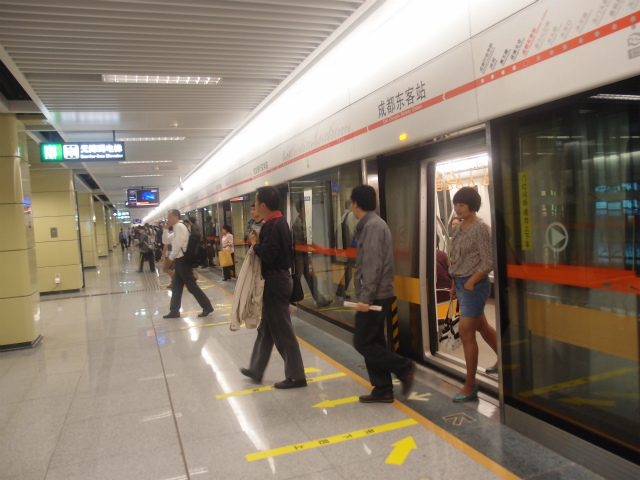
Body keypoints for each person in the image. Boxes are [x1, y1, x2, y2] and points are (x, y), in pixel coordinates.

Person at [350, 185, 415, 404]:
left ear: (355, 203)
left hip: (375, 295)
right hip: (377, 293)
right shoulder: (371, 224)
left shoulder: (372, 226)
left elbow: (372, 264)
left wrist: (365, 297)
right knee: (374, 341)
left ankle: (404, 367)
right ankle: (383, 389)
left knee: (362, 342)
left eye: (351, 203)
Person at [241, 186, 307, 389]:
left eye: (256, 201)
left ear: (263, 205)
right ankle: (256, 369)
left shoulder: (272, 225)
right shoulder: (280, 221)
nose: (254, 205)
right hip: (279, 280)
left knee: (282, 331)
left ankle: (296, 376)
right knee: (266, 329)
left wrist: (255, 244)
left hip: (275, 282)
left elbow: (269, 255)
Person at [449, 187, 497, 402]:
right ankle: (506, 360)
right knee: (482, 326)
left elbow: (488, 261)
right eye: (455, 204)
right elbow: (456, 259)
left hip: (474, 285)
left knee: (466, 332)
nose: (457, 208)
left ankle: (470, 384)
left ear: (472, 206)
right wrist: (454, 283)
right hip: (461, 283)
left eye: (461, 205)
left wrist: (470, 282)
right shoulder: (459, 228)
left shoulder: (481, 229)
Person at [163, 209, 213, 319]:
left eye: (169, 217)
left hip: (183, 261)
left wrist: (171, 258)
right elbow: (165, 240)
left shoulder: (179, 227)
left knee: (191, 286)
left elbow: (178, 244)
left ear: (176, 217)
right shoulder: (176, 228)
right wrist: (165, 229)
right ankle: (174, 311)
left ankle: (207, 306)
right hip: (179, 261)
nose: (168, 219)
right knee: (176, 287)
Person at [292, 199, 331, 307]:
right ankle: (290, 300)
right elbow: (306, 241)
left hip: (303, 256)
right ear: (301, 209)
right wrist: (319, 248)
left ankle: (320, 300)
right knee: (298, 280)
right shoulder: (300, 222)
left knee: (312, 279)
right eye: (306, 207)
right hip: (300, 257)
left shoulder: (301, 221)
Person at [336, 199, 358, 299]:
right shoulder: (351, 215)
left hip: (345, 247)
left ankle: (341, 289)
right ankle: (356, 289)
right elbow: (356, 229)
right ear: (350, 205)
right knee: (355, 268)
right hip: (353, 247)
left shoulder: (343, 216)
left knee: (349, 268)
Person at [435, 236, 452, 303]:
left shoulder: (421, 256)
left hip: (433, 291)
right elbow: (451, 271)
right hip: (446, 289)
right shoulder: (443, 255)